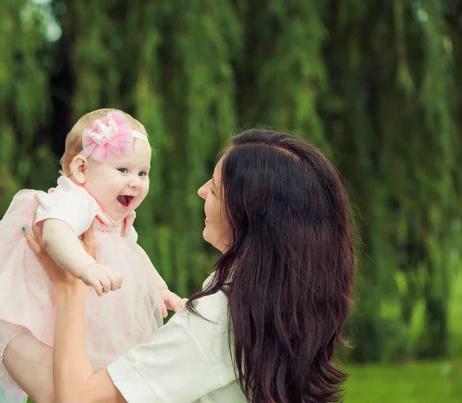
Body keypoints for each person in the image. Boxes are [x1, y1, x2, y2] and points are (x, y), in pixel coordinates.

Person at [26, 129, 357, 403]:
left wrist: (68, 284)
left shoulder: (220, 318)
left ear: (246, 216)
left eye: (213, 189)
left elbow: (77, 398)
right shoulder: (282, 301)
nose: (201, 192)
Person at [0, 109, 186, 402]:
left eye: (143, 173)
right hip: (31, 325)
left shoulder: (118, 216)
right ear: (81, 170)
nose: (136, 182)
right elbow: (55, 234)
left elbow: (134, 251)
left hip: (80, 327)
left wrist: (159, 288)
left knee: (84, 384)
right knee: (57, 390)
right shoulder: (75, 200)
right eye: (123, 170)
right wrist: (86, 266)